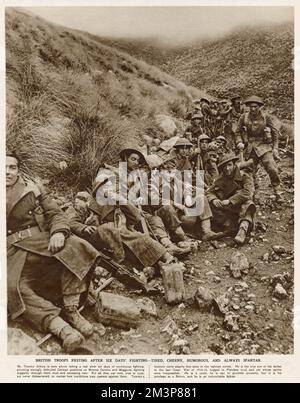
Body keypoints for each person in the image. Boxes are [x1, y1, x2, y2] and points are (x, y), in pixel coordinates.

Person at [6, 152, 100, 352]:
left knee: (77, 246)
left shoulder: (33, 189)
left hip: (41, 242)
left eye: (12, 167)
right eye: (2, 167)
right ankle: (61, 328)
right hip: (12, 252)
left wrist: (58, 232)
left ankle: (72, 308)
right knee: (13, 289)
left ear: (18, 170)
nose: (7, 172)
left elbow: (55, 213)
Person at [235, 96, 283, 202]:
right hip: (250, 147)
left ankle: (278, 191)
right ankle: (255, 193)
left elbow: (275, 133)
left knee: (272, 167)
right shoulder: (244, 117)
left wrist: (275, 148)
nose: (253, 109)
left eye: (255, 107)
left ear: (259, 107)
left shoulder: (266, 117)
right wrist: (239, 142)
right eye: (251, 107)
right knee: (250, 171)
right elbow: (237, 131)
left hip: (264, 146)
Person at [206, 152, 256, 245]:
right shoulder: (221, 178)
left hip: (241, 209)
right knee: (209, 203)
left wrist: (230, 200)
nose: (227, 168)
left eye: (229, 165)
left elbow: (248, 192)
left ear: (234, 165)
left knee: (248, 203)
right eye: (224, 166)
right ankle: (229, 226)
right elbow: (209, 192)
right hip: (228, 210)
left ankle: (243, 230)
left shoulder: (244, 175)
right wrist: (214, 199)